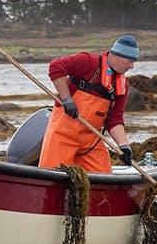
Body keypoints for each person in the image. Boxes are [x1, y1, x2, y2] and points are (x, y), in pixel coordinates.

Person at [38, 34, 139, 173]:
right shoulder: (89, 62)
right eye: (130, 61)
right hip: (63, 135)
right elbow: (56, 67)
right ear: (117, 55)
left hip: (91, 140)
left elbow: (115, 120)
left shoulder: (122, 86)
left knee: (105, 178)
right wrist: (66, 98)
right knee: (52, 176)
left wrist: (124, 146)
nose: (132, 66)